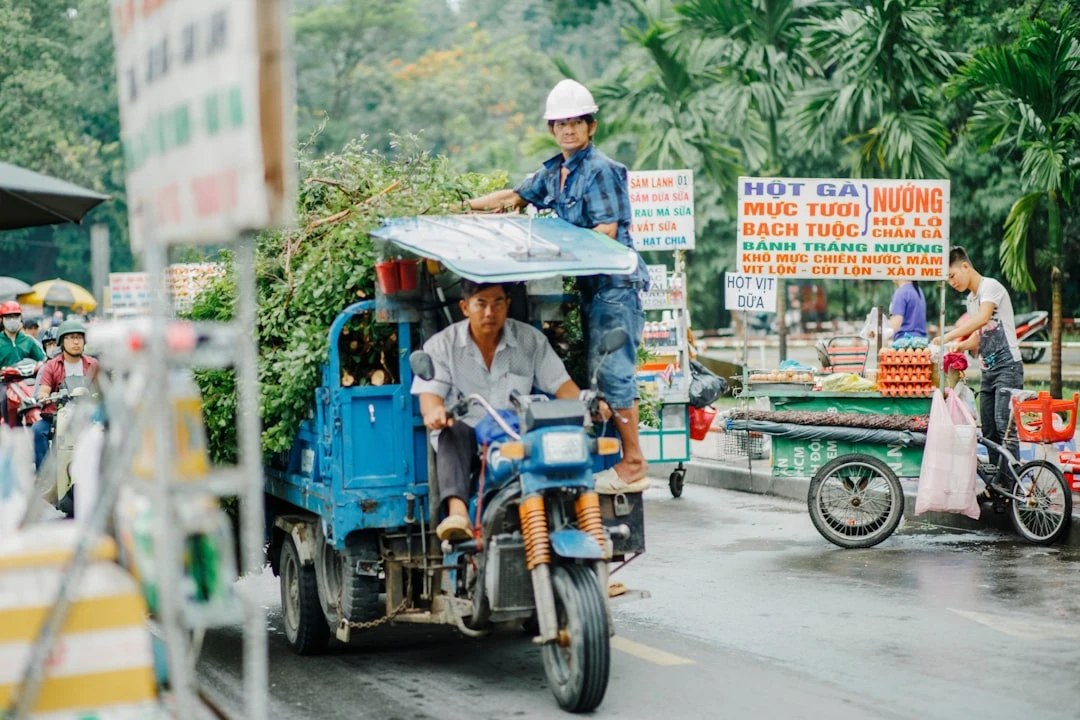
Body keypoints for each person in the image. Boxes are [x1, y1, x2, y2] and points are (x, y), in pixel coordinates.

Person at [465, 79, 650, 489]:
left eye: (576, 123)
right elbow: (515, 196)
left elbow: (605, 230)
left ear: (591, 127)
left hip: (615, 287)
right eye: (561, 124)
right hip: (592, 288)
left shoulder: (602, 170)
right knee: (596, 377)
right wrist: (463, 207)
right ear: (552, 129)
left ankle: (634, 465)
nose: (568, 130)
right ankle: (604, 460)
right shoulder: (555, 172)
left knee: (616, 375)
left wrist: (553, 251)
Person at [412, 281, 591, 541]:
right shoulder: (442, 345)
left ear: (508, 304)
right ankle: (458, 513)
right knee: (452, 430)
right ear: (465, 307)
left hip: (516, 436)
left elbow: (561, 384)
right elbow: (430, 394)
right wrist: (434, 413)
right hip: (470, 439)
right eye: (481, 304)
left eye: (497, 303)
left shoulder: (529, 340)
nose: (489, 312)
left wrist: (588, 407)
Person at [935, 247, 1023, 470]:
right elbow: (980, 335)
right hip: (988, 371)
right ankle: (998, 486)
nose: (952, 282)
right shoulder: (970, 301)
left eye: (952, 276)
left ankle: (1013, 486)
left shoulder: (990, 287)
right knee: (989, 430)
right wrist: (961, 345)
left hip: (1008, 368)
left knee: (1005, 427)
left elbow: (984, 318)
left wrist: (948, 335)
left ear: (965, 266)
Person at [33, 320, 99, 471]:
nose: (76, 342)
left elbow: (102, 389)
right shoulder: (51, 366)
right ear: (62, 341)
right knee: (38, 430)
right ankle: (44, 477)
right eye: (71, 337)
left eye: (79, 337)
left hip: (87, 415)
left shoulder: (93, 364)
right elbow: (44, 390)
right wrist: (44, 395)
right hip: (58, 415)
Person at [0, 301, 46, 425]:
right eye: (8, 317)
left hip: (28, 382)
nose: (12, 320)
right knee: (2, 399)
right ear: (2, 320)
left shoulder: (28, 340)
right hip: (5, 383)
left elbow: (42, 360)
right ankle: (7, 427)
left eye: (15, 316)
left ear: (21, 319)